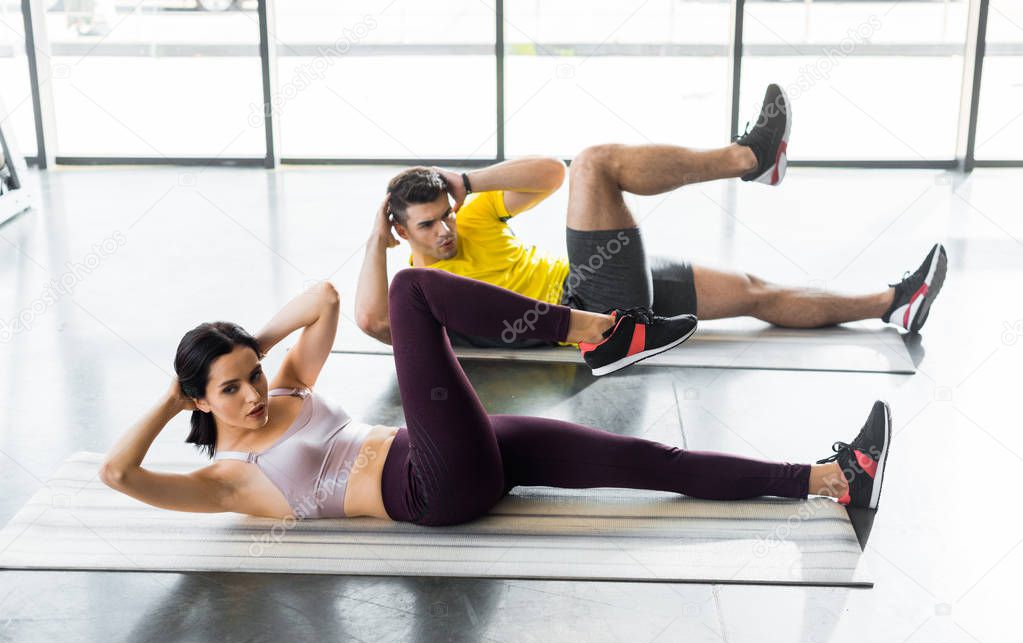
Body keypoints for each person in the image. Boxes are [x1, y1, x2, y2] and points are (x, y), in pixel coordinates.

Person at [101, 269, 892, 524]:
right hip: (428, 485)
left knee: (649, 459)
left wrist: (250, 349)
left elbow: (324, 297)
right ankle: (597, 332)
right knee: (412, 291)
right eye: (231, 390)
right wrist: (176, 401)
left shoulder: (287, 387)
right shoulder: (227, 481)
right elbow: (118, 477)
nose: (252, 394)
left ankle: (832, 477)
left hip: (466, 447)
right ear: (201, 403)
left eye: (252, 376)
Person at [355, 84, 947, 354]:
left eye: (444, 216)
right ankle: (751, 158)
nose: (444, 230)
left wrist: (470, 182)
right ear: (402, 232)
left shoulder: (473, 215)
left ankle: (894, 302)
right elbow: (370, 321)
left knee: (754, 293)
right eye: (427, 226)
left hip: (597, 281)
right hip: (587, 311)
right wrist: (373, 245)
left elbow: (547, 175)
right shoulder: (416, 289)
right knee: (595, 164)